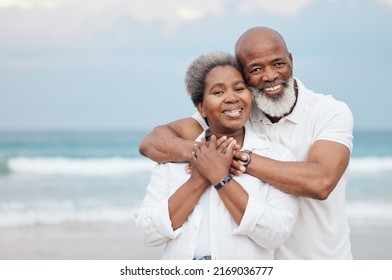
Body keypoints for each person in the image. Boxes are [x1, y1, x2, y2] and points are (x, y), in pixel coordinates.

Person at [139, 27, 354, 260]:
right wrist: (203, 155)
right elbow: (153, 142)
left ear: (291, 60)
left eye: (278, 63)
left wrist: (235, 158)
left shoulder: (328, 112)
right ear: (243, 73)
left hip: (323, 262)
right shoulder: (238, 110)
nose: (270, 76)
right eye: (256, 69)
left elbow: (321, 182)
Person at [135, 52, 299, 260]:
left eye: (239, 89)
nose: (232, 98)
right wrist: (197, 179)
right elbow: (147, 233)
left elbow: (275, 234)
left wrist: (221, 179)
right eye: (218, 92)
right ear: (201, 107)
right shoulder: (173, 160)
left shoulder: (277, 156)